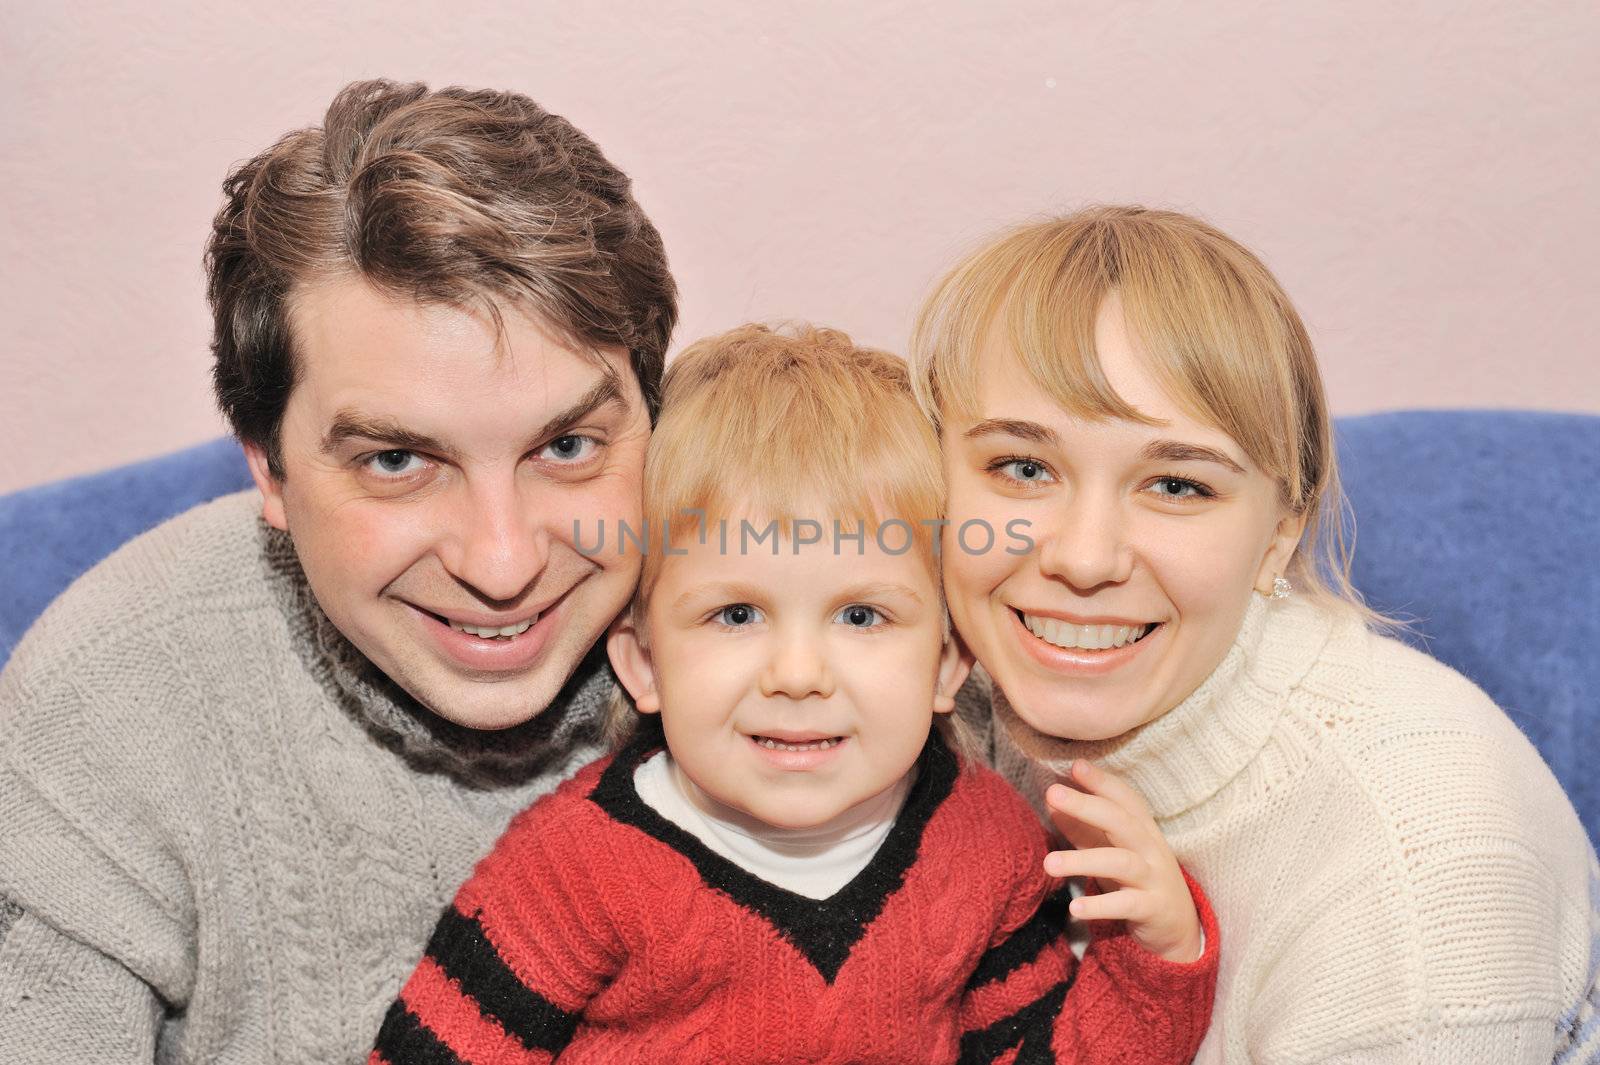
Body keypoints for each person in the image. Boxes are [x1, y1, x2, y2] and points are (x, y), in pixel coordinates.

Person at [0, 79, 676, 1061]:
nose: (502, 561)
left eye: (567, 447)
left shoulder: (788, 628)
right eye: (397, 462)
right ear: (268, 466)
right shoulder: (104, 714)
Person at [370, 324, 1221, 1064]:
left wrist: (1157, 957)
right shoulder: (574, 867)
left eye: (861, 614)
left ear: (945, 663)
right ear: (645, 663)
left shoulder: (990, 843)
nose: (799, 672)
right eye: (736, 613)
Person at [908, 205, 1600, 1064]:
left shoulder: (1423, 859)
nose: (1084, 559)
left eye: (1177, 485)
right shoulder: (905, 706)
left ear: (1279, 534)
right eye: (1021, 467)